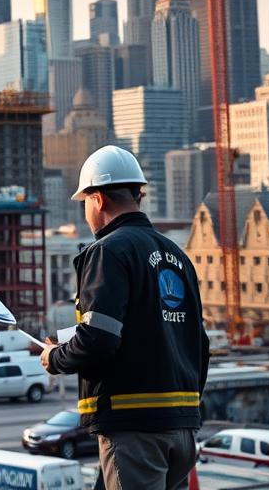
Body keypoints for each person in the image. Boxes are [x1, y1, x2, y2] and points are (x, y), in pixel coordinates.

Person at [40, 144, 209, 490]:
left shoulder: (108, 251)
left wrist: (55, 358)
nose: (85, 211)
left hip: (134, 425)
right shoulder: (176, 255)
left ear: (98, 199)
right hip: (182, 426)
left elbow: (101, 338)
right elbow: (195, 341)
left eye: (84, 201)